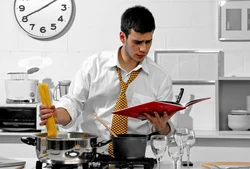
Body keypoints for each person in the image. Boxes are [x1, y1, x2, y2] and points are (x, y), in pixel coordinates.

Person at [39, 5, 175, 153]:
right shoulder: (94, 65)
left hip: (136, 157)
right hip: (91, 154)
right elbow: (73, 102)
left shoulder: (161, 78)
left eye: (148, 42)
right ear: (122, 37)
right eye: (137, 42)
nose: (143, 48)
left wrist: (162, 127)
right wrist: (57, 115)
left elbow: (167, 131)